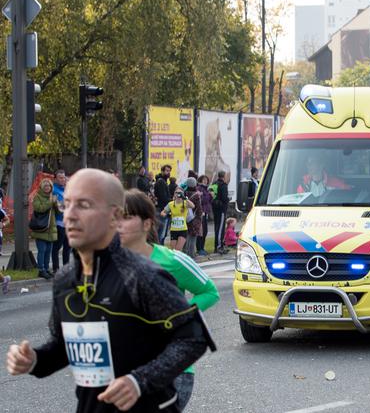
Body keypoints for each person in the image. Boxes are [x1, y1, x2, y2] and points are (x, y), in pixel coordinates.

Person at [6, 169, 210, 413]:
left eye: (84, 205)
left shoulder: (141, 275)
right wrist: (35, 360)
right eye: (66, 205)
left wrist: (139, 381)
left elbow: (193, 338)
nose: (70, 216)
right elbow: (63, 346)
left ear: (114, 216)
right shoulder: (65, 279)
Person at [118, 189, 219, 411]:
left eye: (126, 217)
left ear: (146, 224)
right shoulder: (108, 265)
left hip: (172, 372)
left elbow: (210, 292)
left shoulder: (172, 260)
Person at [31, 178, 59, 279]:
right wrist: (50, 203)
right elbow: (39, 208)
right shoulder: (37, 196)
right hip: (41, 228)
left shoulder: (52, 197)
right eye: (45, 186)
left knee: (48, 250)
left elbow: (58, 212)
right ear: (42, 187)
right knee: (42, 250)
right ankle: (41, 270)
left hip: (51, 228)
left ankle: (47, 269)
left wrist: (56, 204)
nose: (47, 188)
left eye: (49, 186)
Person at [51, 170, 71, 271]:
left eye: (64, 177)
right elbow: (58, 207)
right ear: (55, 179)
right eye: (60, 177)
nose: (63, 179)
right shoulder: (54, 190)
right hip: (59, 222)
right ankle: (56, 268)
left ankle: (66, 269)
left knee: (68, 247)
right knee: (57, 246)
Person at [184, 178, 203, 259]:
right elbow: (199, 208)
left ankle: (186, 253)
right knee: (193, 236)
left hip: (186, 217)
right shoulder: (196, 195)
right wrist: (200, 217)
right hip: (194, 218)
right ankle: (191, 255)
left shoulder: (184, 193)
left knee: (187, 235)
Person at [212, 170, 229, 254]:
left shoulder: (214, 184)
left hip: (215, 207)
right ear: (224, 176)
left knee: (217, 226)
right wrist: (227, 200)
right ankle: (219, 246)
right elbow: (224, 198)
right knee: (220, 228)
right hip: (221, 209)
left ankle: (218, 245)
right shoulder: (223, 185)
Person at [154, 165, 172, 244]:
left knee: (162, 233)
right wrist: (172, 201)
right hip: (162, 210)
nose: (168, 173)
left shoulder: (163, 181)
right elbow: (163, 197)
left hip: (162, 209)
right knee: (161, 233)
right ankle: (159, 251)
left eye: (169, 171)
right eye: (167, 171)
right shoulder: (161, 182)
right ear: (162, 171)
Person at [196, 175, 212, 256]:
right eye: (204, 179)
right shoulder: (199, 188)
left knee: (205, 231)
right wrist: (209, 195)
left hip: (205, 212)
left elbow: (209, 201)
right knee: (201, 231)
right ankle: (199, 248)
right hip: (201, 212)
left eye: (206, 180)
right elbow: (201, 200)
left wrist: (210, 196)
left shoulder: (206, 189)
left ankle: (202, 247)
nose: (205, 181)